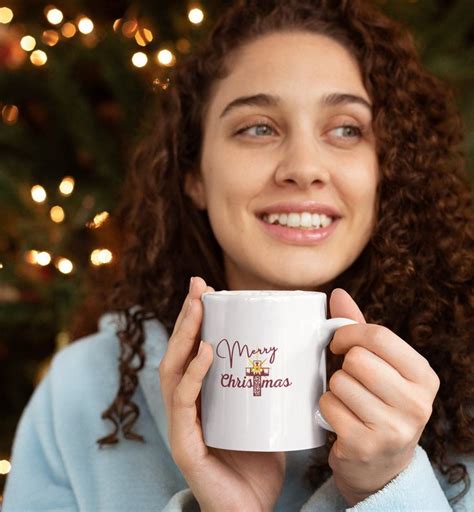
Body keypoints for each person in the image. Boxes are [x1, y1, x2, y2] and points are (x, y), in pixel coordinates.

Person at [3, 0, 473, 510]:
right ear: (195, 176)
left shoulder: (461, 389)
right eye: (258, 127)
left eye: (347, 129)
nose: (304, 167)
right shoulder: (80, 392)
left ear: (387, 172)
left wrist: (389, 486)